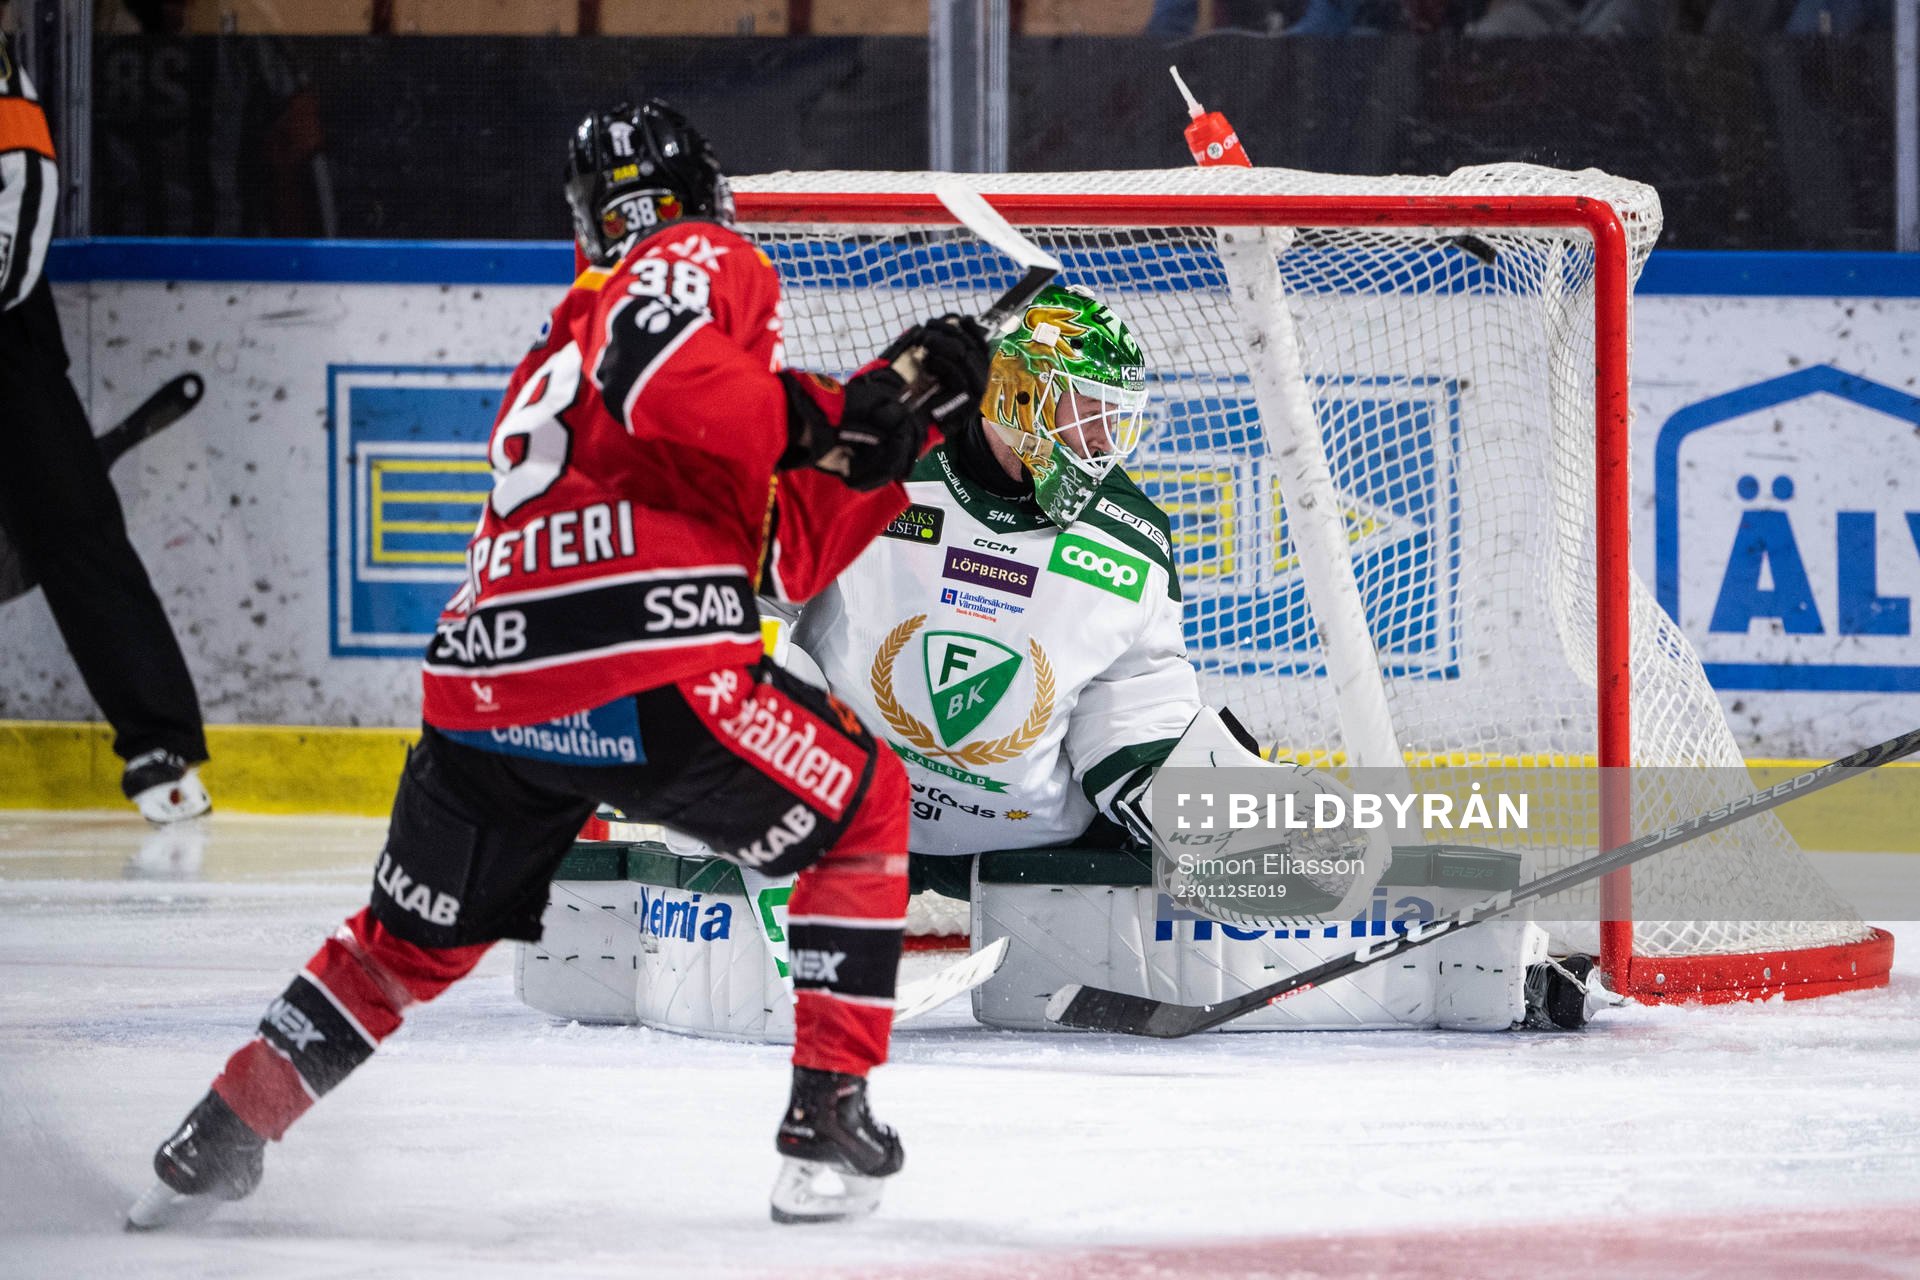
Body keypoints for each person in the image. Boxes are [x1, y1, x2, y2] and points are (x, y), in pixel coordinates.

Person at [126, 97, 990, 1230]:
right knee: (866, 804)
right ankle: (824, 1117)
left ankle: (215, 1137)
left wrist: (891, 434)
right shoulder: (698, 253)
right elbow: (669, 379)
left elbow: (773, 547)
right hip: (644, 660)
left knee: (403, 948)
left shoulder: (564, 334)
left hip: (488, 691)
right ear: (703, 193)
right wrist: (838, 414)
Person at [790, 283, 1202, 892]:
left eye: (1116, 416)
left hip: (1028, 850)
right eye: (1090, 409)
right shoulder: (880, 463)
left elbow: (1132, 700)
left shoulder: (1131, 538)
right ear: (1021, 391)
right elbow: (749, 604)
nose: (1103, 439)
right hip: (836, 816)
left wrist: (1180, 804)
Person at [0, 23, 212, 823]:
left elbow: (18, 233)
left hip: (9, 348)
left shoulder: (5, 92)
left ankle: (160, 742)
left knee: (74, 528)